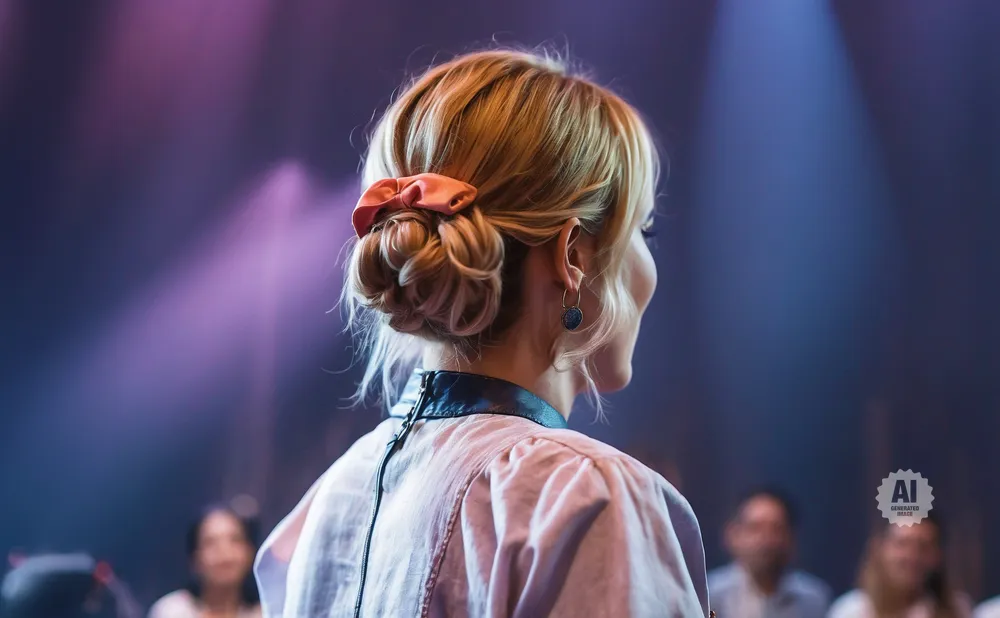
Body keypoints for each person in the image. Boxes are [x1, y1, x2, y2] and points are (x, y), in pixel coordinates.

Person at [254, 49, 712, 617]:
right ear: (573, 256)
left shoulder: (325, 505)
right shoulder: (583, 496)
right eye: (645, 229)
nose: (651, 264)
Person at [708, 487, 830, 618]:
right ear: (733, 535)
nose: (765, 539)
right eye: (755, 528)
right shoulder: (710, 595)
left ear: (791, 538)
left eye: (776, 529)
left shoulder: (813, 600)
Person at [828, 514, 972, 618]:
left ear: (937, 555)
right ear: (881, 549)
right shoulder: (850, 611)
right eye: (902, 544)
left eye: (923, 547)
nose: (912, 556)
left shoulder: (959, 609)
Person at [149, 506, 261, 618]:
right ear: (195, 558)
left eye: (235, 539)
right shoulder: (171, 612)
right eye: (210, 543)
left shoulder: (265, 613)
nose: (224, 551)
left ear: (250, 552)